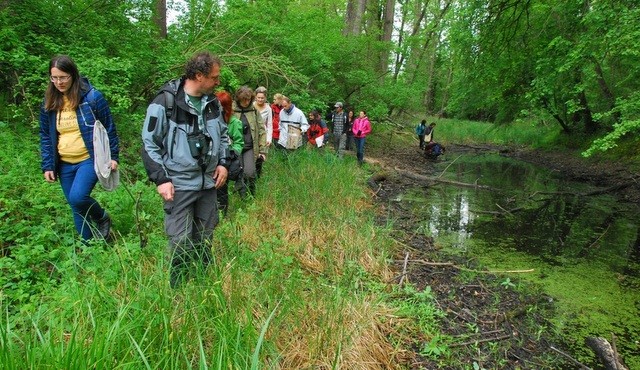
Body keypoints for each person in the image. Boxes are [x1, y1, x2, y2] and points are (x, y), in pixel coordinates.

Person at [141, 51, 230, 288]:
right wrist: (161, 179)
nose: (218, 81)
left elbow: (223, 135)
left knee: (204, 237)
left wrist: (223, 163)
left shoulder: (213, 103)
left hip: (208, 184)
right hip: (178, 185)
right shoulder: (165, 102)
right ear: (199, 76)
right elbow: (149, 143)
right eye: (214, 77)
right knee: (180, 242)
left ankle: (204, 286)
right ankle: (178, 292)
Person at [39, 55, 119, 242]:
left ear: (73, 75)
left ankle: (102, 217)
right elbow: (45, 134)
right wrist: (48, 165)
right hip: (64, 163)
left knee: (77, 198)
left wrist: (113, 156)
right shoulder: (49, 101)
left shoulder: (92, 97)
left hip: (89, 159)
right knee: (75, 207)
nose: (59, 82)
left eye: (63, 77)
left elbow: (109, 128)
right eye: (55, 78)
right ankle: (89, 246)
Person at [233, 86, 267, 196]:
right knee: (239, 172)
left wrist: (263, 150)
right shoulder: (232, 110)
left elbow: (262, 130)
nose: (246, 102)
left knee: (250, 172)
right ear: (239, 99)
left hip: (250, 147)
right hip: (235, 147)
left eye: (248, 100)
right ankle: (243, 196)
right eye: (244, 100)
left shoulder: (254, 111)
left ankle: (252, 193)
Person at [215, 90, 244, 215]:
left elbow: (239, 142)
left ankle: (222, 213)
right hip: (212, 158)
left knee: (221, 187)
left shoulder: (235, 123)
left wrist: (232, 154)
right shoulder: (211, 119)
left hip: (226, 159)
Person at [254, 86, 272, 177]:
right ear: (255, 97)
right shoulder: (251, 105)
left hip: (262, 134)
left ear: (265, 98)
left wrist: (269, 138)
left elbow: (269, 124)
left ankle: (258, 175)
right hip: (252, 133)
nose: (260, 100)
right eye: (259, 98)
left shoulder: (268, 108)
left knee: (260, 156)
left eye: (262, 98)